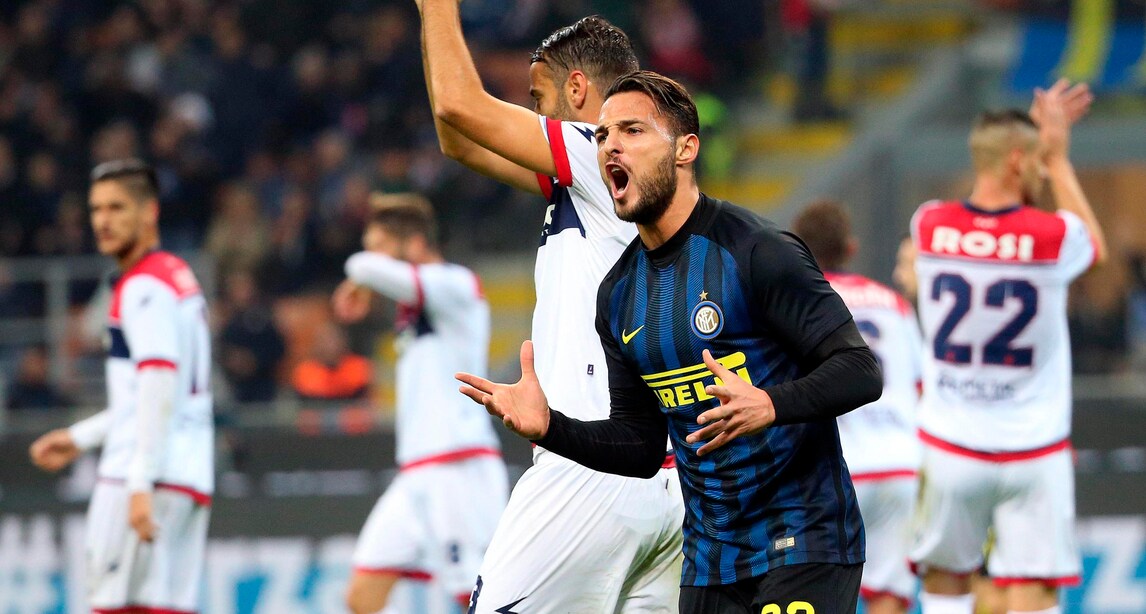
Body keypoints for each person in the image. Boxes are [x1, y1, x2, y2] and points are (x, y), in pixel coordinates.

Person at [458, 71, 883, 614]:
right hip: (710, 562)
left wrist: (771, 404)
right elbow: (640, 447)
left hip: (803, 540)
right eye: (603, 135)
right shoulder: (618, 294)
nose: (610, 146)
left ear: (686, 149)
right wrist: (551, 428)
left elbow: (860, 369)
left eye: (632, 131)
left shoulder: (757, 250)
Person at [416, 4, 684, 612]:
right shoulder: (618, 179)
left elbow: (461, 107)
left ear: (578, 89)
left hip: (589, 471)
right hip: (663, 483)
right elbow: (458, 140)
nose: (534, 114)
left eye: (539, 99)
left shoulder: (597, 147)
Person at [906, 79, 1107, 614]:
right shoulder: (1052, 237)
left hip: (950, 444)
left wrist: (1038, 152)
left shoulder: (929, 223)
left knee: (946, 581)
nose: (1041, 173)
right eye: (1036, 164)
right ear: (1018, 161)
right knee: (1035, 590)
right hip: (1035, 448)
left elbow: (982, 228)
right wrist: (1059, 159)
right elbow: (1094, 246)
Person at [28, 159, 214, 613]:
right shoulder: (176, 275)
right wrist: (81, 437)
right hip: (188, 475)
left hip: (143, 475)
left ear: (149, 212)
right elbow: (153, 396)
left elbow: (157, 383)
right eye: (96, 209)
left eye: (117, 208)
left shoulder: (142, 287)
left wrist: (140, 481)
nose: (103, 221)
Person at [331, 194, 509, 614]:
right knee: (361, 595)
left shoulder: (456, 284)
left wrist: (360, 278)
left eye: (381, 246)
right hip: (415, 472)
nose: (374, 258)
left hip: (458, 467)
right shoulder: (413, 308)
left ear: (413, 244)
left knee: (480, 599)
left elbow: (362, 266)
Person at [793, 200, 923, 614]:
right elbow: (920, 386)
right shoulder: (894, 304)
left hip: (834, 470)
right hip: (900, 465)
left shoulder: (799, 301)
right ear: (851, 248)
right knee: (889, 596)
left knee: (819, 594)